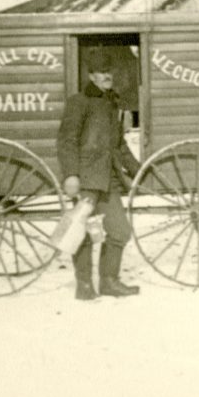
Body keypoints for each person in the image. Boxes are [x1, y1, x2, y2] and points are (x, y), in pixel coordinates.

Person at [56, 48, 141, 300]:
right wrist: (71, 174)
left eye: (109, 71)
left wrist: (137, 169)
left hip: (108, 179)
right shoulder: (78, 102)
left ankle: (109, 282)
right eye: (101, 72)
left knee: (120, 231)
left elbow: (118, 144)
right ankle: (83, 286)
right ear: (92, 76)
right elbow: (67, 140)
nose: (107, 76)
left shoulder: (111, 102)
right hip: (86, 178)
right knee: (80, 232)